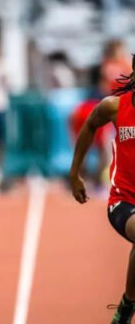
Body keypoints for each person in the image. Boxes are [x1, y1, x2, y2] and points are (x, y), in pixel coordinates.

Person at [69, 54, 135, 324]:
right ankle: (128, 306)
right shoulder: (115, 106)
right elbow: (89, 127)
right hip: (123, 201)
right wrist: (75, 174)